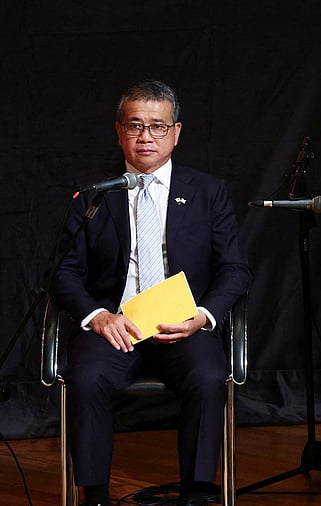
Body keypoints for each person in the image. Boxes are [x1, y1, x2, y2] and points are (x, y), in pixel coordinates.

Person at [51, 79, 252, 506]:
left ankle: (197, 493)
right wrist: (98, 317)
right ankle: (97, 495)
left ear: (176, 132)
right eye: (135, 125)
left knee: (207, 375)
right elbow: (63, 272)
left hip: (183, 327)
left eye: (158, 127)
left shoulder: (207, 192)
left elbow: (234, 270)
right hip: (115, 328)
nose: (146, 137)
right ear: (119, 131)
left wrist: (203, 316)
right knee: (85, 378)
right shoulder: (92, 195)